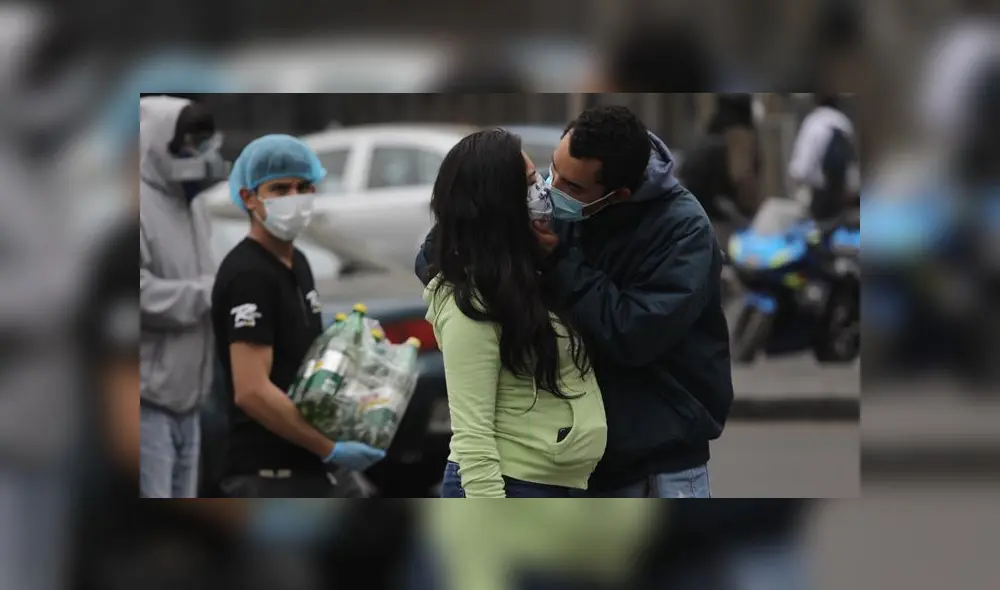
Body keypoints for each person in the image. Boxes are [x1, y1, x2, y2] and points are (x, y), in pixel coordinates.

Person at [417, 106, 733, 498]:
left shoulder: (681, 231)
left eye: (573, 187)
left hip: (655, 459)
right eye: (552, 170)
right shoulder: (552, 208)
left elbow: (633, 332)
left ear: (617, 195)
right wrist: (492, 239)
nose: (552, 190)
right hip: (568, 466)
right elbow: (442, 250)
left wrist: (558, 262)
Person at [425, 129, 607, 498]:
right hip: (508, 485)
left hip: (550, 484)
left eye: (536, 176)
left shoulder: (524, 276)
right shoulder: (469, 302)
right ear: (500, 203)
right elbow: (473, 441)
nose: (542, 188)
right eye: (528, 183)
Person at [212, 134, 385, 498]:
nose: (295, 199)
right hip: (266, 475)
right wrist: (329, 448)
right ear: (248, 197)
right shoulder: (248, 275)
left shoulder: (298, 263)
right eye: (280, 189)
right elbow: (252, 391)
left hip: (307, 465)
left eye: (304, 187)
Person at [139, 95, 228, 498]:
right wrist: (206, 294)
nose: (198, 155)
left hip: (190, 398)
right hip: (148, 400)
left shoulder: (194, 208)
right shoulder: (139, 206)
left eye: (202, 144)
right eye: (188, 145)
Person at [787, 92, 860, 222]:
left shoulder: (814, 122)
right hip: (844, 200)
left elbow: (799, 170)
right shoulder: (845, 124)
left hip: (819, 200)